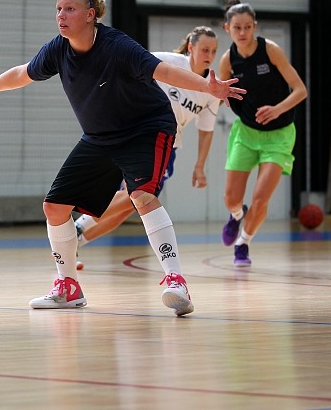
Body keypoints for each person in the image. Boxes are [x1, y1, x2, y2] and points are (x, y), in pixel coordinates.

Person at [0, 0, 244, 316]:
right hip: (99, 136)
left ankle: (176, 280)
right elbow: (24, 72)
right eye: (58, 9)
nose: (61, 15)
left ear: (90, 14)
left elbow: (163, 71)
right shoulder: (57, 49)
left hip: (145, 128)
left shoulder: (117, 45)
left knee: (142, 196)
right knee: (54, 207)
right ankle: (68, 286)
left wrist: (207, 85)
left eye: (69, 9)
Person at [74, 26, 221, 269]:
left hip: (167, 145)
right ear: (191, 47)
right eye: (205, 49)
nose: (209, 55)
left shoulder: (211, 87)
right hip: (136, 133)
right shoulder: (168, 62)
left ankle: (74, 241)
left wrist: (199, 166)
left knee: (131, 204)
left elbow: (206, 130)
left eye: (214, 51)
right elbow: (129, 64)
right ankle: (77, 228)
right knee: (135, 197)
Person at [219, 0, 307, 266]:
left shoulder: (270, 50)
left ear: (254, 26)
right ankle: (237, 215)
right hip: (246, 133)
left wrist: (277, 110)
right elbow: (222, 95)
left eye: (247, 27)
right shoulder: (227, 60)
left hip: (279, 134)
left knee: (261, 198)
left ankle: (243, 244)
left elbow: (300, 91)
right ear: (227, 28)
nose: (243, 32)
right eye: (237, 27)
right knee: (231, 199)